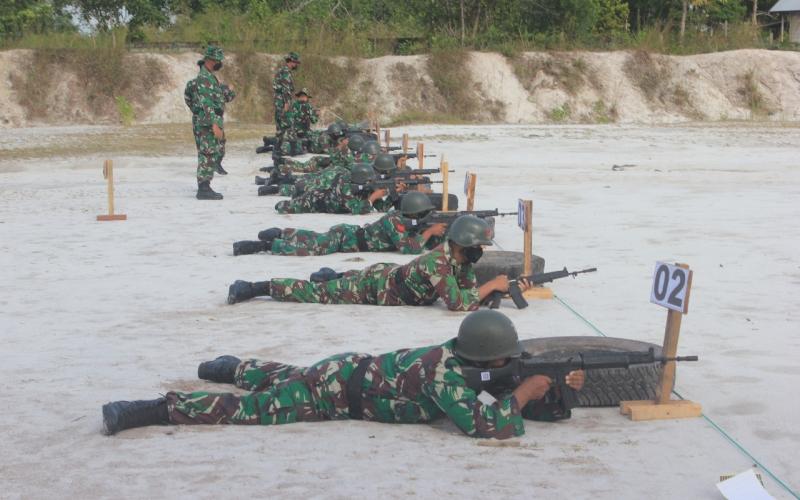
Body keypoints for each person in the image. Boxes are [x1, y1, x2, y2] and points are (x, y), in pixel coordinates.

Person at [101, 310, 585, 439]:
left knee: (292, 375)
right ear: (485, 359)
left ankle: (232, 366)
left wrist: (553, 393)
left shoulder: (456, 360)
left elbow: (492, 391)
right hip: (335, 392)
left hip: (346, 367)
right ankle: (152, 408)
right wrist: (524, 394)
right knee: (253, 410)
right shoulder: (445, 378)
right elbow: (487, 426)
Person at [226, 215, 529, 310]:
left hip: (387, 274)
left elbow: (469, 294)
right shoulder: (438, 262)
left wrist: (505, 289)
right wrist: (492, 286)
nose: (481, 251)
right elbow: (457, 304)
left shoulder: (460, 260)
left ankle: (332, 274)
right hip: (376, 288)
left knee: (336, 279)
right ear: (464, 243)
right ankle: (257, 287)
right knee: (315, 293)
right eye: (478, 245)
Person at [232, 191, 447, 256]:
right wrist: (429, 233)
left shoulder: (404, 220)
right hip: (347, 239)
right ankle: (266, 246)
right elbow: (408, 248)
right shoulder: (394, 220)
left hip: (348, 235)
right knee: (314, 247)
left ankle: (283, 232)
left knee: (315, 238)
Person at [183, 45, 236, 200]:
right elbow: (206, 103)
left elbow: (189, 99)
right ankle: (203, 188)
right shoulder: (203, 79)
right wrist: (213, 123)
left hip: (210, 118)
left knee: (211, 152)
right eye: (218, 60)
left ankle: (206, 185)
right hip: (207, 121)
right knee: (207, 153)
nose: (220, 63)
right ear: (211, 60)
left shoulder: (210, 78)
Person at [273, 163, 392, 215]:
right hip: (316, 201)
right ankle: (278, 192)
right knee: (284, 207)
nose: (371, 182)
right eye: (369, 180)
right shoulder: (344, 185)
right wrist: (373, 197)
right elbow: (356, 209)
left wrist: (393, 193)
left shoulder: (365, 187)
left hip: (331, 205)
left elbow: (382, 208)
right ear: (360, 179)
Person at [272, 52, 300, 160]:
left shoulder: (282, 71)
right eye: (296, 62)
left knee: (281, 126)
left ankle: (278, 150)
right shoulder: (285, 73)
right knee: (288, 125)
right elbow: (286, 89)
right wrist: (287, 103)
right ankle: (289, 150)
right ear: (291, 62)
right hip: (283, 102)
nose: (296, 65)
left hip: (279, 102)